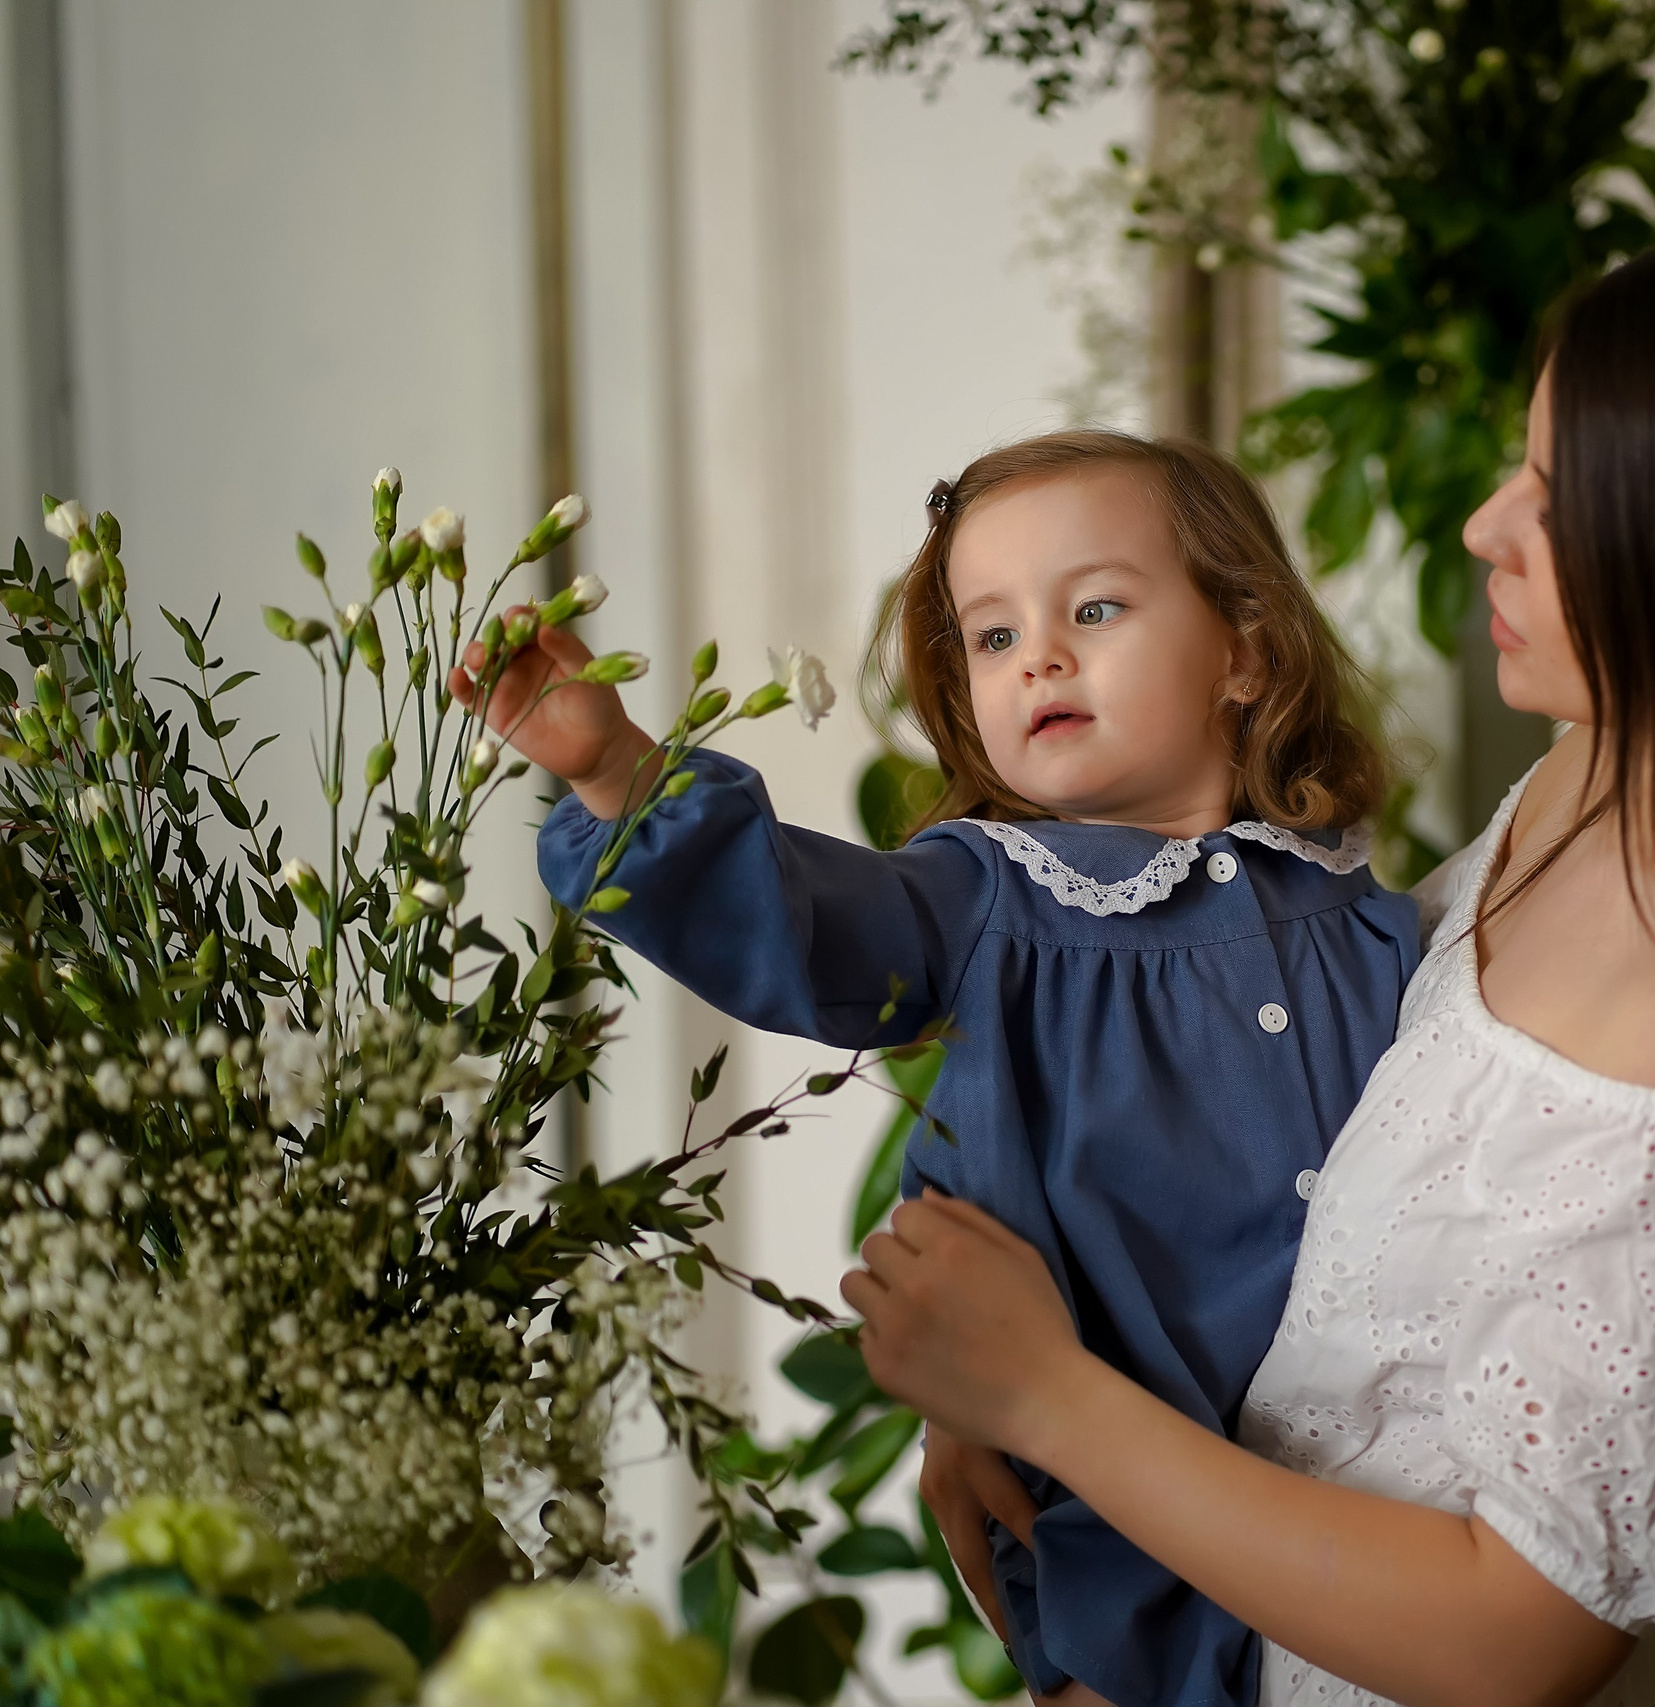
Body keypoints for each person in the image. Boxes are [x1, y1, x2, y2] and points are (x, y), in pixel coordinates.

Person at [848, 226, 1655, 1707]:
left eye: (1558, 499)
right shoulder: (1588, 777)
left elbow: (1514, 1635)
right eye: (1517, 469)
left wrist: (1051, 1393)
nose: (1487, 525)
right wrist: (1028, 1382)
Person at [462, 432, 1422, 1707]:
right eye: (991, 636)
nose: (1041, 656)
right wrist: (614, 771)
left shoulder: (1370, 912)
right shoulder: (979, 900)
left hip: (1385, 1516)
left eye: (1094, 607)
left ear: (1244, 647)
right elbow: (795, 917)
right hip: (1107, 1546)